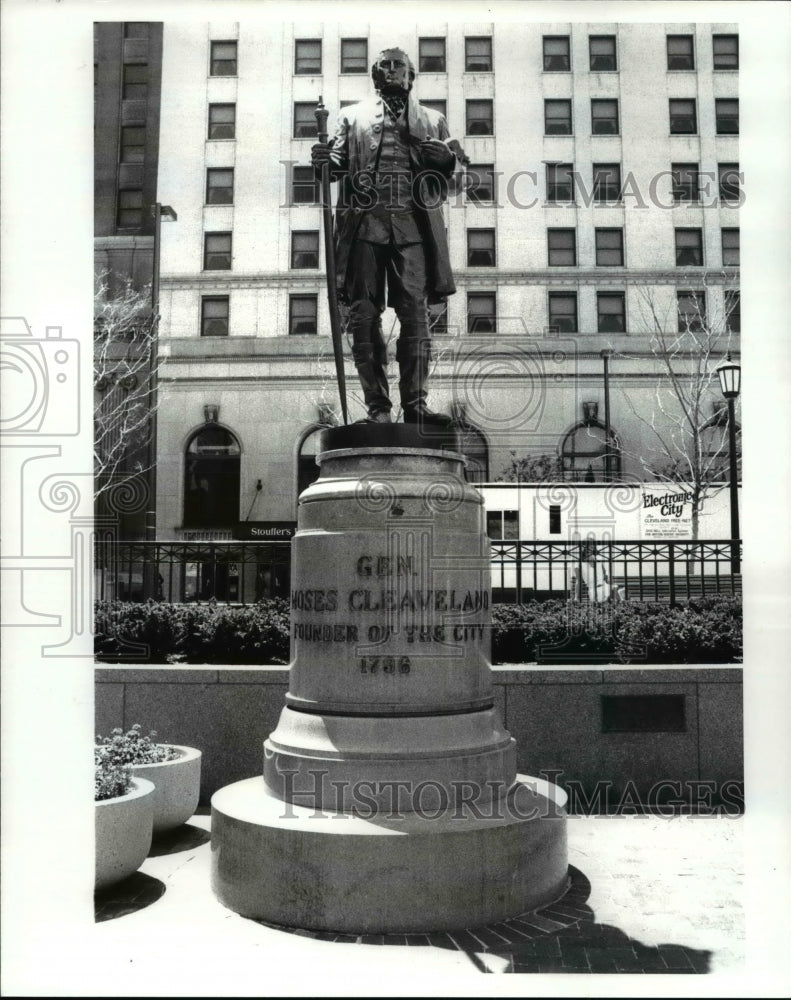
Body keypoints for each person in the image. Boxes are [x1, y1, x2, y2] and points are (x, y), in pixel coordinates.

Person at [311, 47, 465, 426]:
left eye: (399, 65)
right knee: (363, 317)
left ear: (411, 75)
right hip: (364, 227)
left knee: (416, 317)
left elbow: (456, 182)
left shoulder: (433, 120)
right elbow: (334, 167)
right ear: (374, 75)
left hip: (413, 229)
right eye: (384, 65)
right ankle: (378, 409)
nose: (392, 70)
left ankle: (415, 406)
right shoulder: (350, 117)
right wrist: (322, 160)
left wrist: (445, 162)